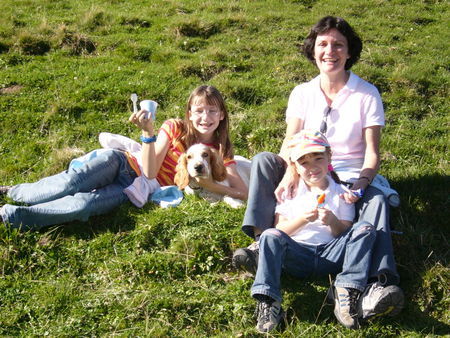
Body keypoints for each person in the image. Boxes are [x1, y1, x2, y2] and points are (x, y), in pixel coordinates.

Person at [232, 16, 403, 322]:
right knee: (262, 160)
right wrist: (288, 173)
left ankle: (378, 282)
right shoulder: (302, 92)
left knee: (376, 200)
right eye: (323, 44)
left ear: (349, 52)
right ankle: (262, 242)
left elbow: (372, 154)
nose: (330, 51)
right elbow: (289, 140)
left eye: (339, 44)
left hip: (350, 173)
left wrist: (362, 185)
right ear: (313, 51)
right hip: (305, 164)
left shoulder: (367, 93)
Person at [0, 85, 248, 230]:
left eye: (212, 110)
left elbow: (243, 191)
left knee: (83, 205)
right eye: (199, 111)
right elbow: (150, 169)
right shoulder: (174, 127)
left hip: (134, 188)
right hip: (122, 163)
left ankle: (10, 216)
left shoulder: (220, 151)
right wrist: (148, 133)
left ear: (223, 115)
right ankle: (12, 192)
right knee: (70, 184)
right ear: (190, 114)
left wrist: (208, 184)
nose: (206, 117)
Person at [251, 130, 378, 332]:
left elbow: (344, 232)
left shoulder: (341, 193)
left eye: (318, 158)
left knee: (364, 228)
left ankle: (346, 289)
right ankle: (268, 300)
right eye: (304, 162)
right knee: (268, 235)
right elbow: (280, 230)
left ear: (329, 157)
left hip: (332, 254)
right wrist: (302, 220)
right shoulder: (290, 193)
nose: (312, 167)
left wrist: (332, 221)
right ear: (295, 167)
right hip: (297, 255)